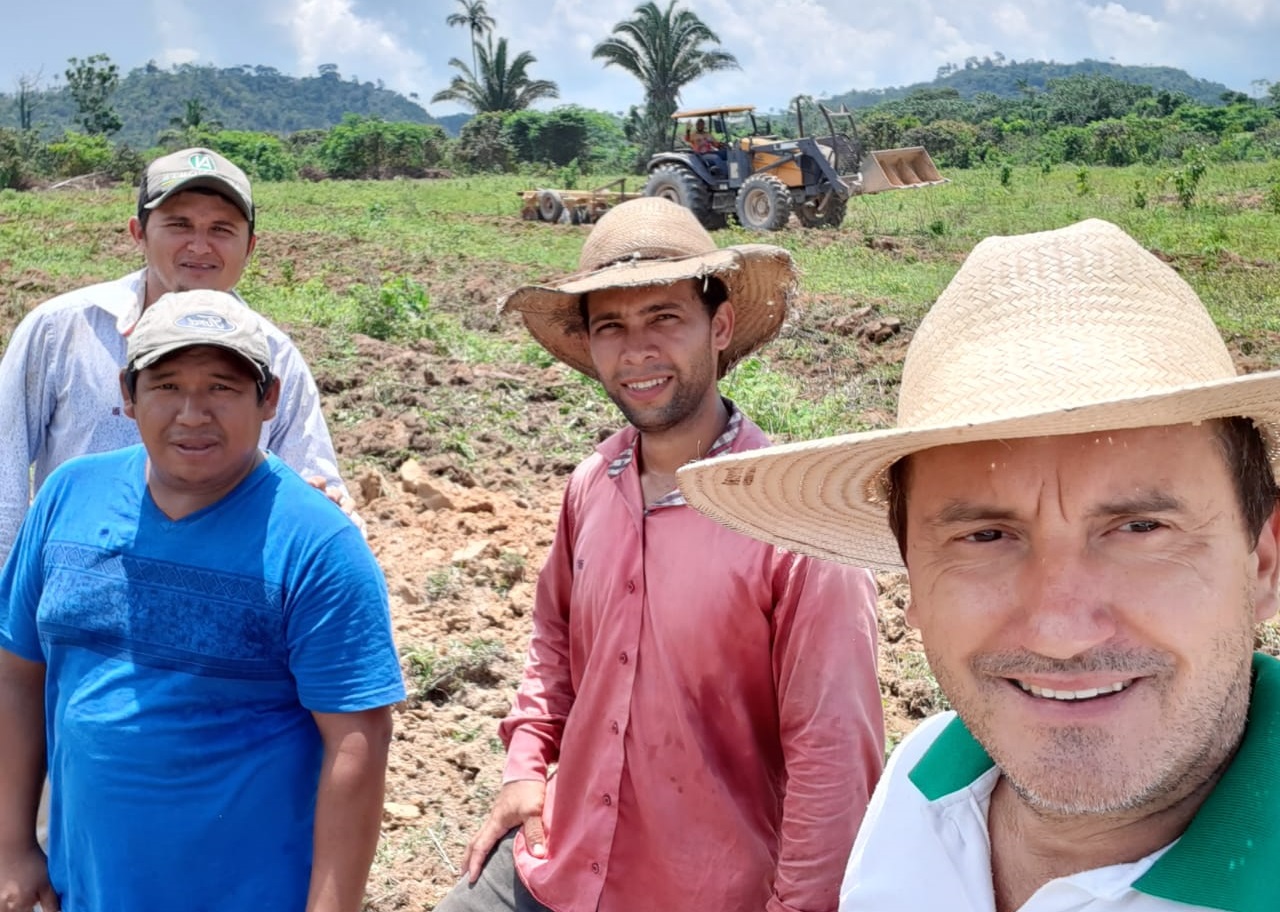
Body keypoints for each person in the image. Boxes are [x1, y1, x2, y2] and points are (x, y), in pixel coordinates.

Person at [677, 218, 1280, 911]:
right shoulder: (920, 777)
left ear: (1262, 559)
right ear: (912, 581)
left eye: (1140, 528)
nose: (1060, 630)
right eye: (987, 536)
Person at [434, 196, 884, 912]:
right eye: (611, 326)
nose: (637, 351)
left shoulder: (793, 527)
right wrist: (525, 766)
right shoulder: (591, 486)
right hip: (565, 860)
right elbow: (554, 641)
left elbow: (831, 760)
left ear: (721, 326)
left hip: (707, 888)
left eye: (664, 319)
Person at [0, 288, 406, 912]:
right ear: (128, 396)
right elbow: (16, 678)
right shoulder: (66, 498)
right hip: (83, 886)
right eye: (166, 386)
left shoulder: (317, 545)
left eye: (221, 387)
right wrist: (13, 847)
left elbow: (357, 743)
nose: (192, 413)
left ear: (268, 399)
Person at [0, 146, 354, 566]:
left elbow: (311, 486)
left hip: (215, 596)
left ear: (251, 246)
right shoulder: (61, 329)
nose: (200, 246)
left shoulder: (275, 356)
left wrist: (324, 506)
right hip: (76, 591)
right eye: (179, 224)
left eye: (222, 229)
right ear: (138, 233)